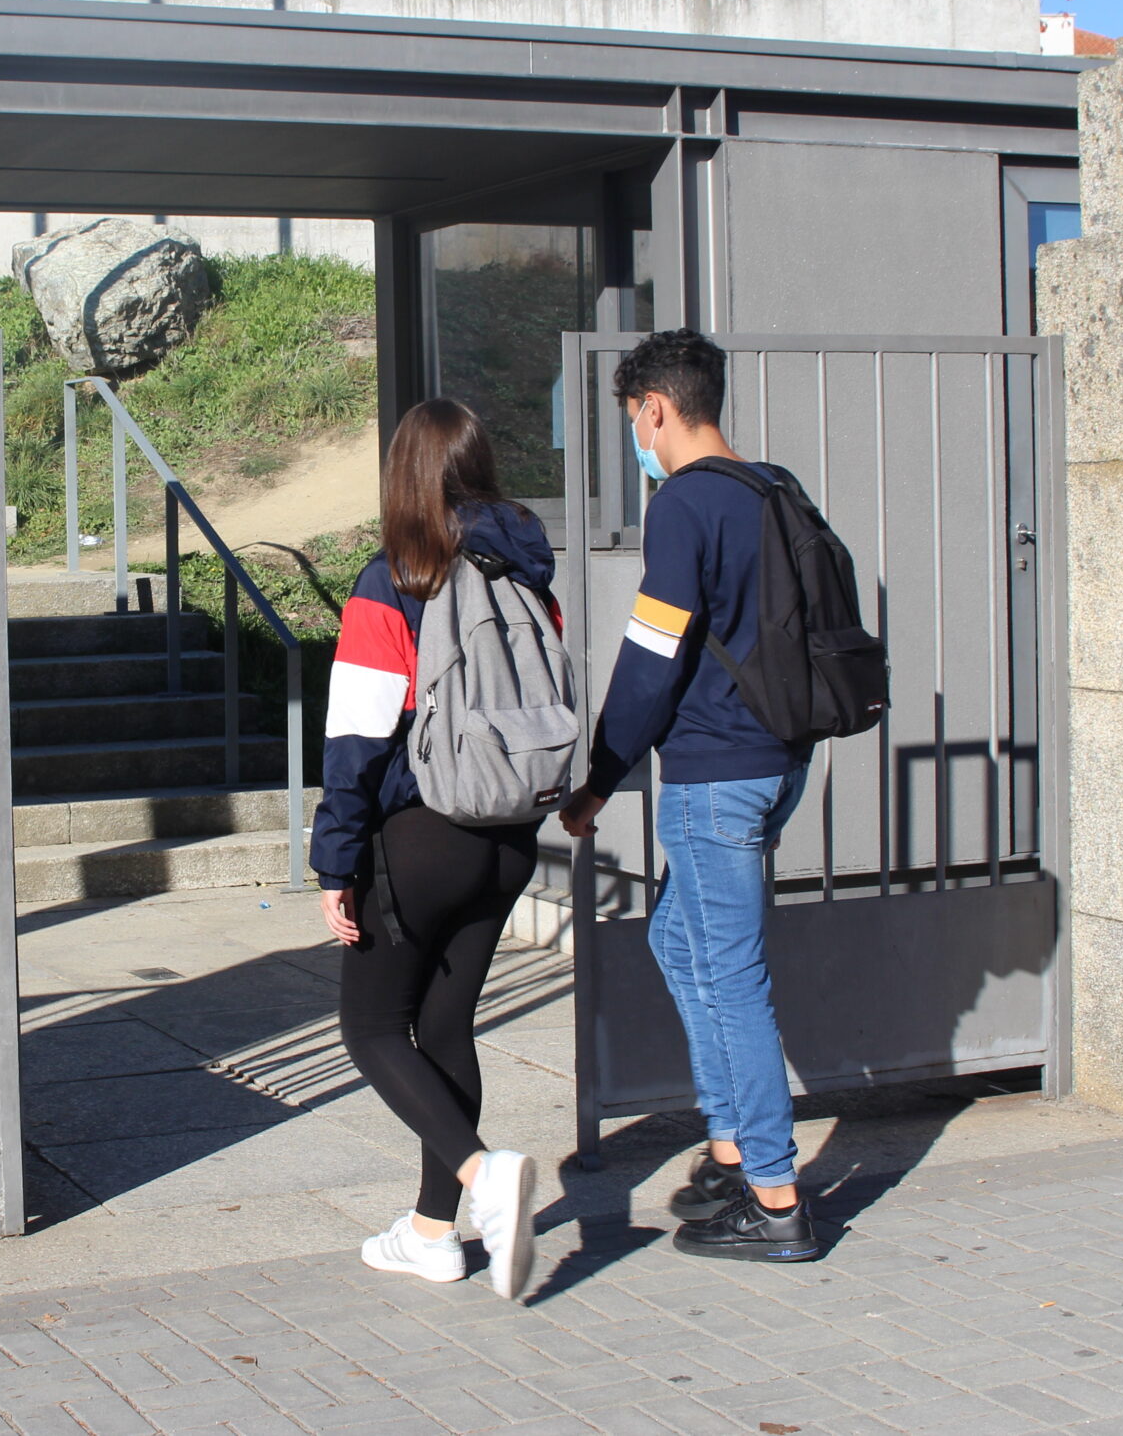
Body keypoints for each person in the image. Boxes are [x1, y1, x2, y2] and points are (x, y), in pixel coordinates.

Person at [558, 329, 821, 1264]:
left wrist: (597, 776)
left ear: (656, 409)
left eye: (635, 418)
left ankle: (777, 1195)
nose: (638, 435)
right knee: (681, 939)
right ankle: (730, 1147)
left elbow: (652, 655)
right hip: (779, 759)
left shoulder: (683, 507)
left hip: (715, 772)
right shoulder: (773, 487)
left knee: (732, 972)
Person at [312, 398, 552, 1301]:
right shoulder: (530, 577)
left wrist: (337, 859)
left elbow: (358, 739)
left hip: (421, 838)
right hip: (509, 839)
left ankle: (481, 1175)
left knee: (372, 1028)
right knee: (446, 1027)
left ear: (403, 477)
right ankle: (431, 1234)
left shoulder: (393, 580)